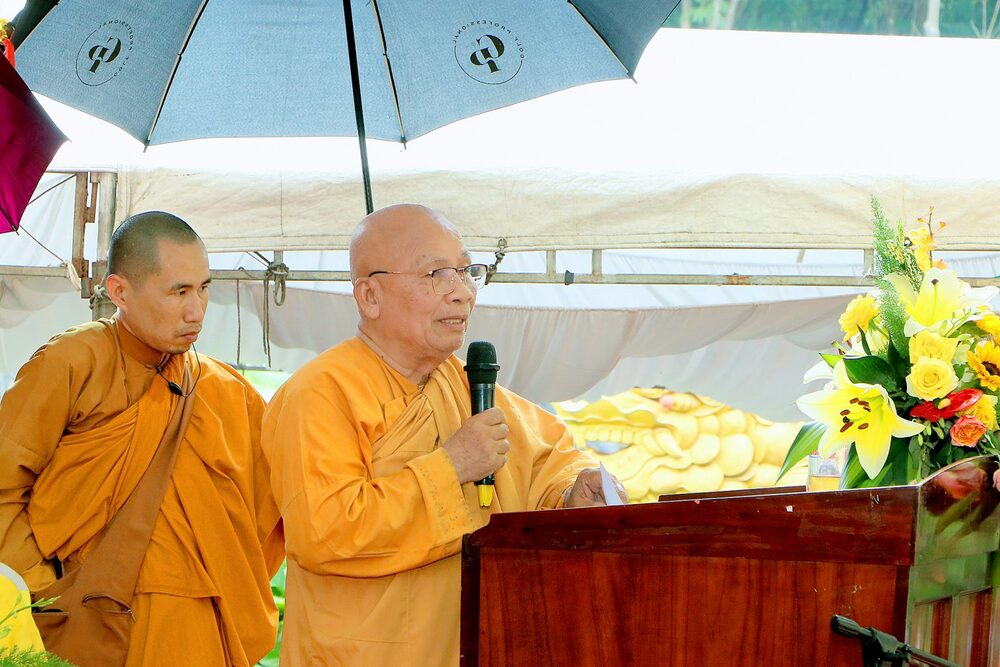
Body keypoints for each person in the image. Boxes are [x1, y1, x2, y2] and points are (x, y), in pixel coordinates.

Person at [262, 203, 625, 666]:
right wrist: (450, 466)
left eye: (467, 270)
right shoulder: (321, 392)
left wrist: (572, 492)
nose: (461, 292)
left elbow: (546, 459)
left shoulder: (465, 385)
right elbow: (326, 533)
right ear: (370, 297)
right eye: (435, 274)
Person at [0, 211, 284, 666]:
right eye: (179, 292)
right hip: (87, 619)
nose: (196, 311)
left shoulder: (225, 391)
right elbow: (3, 485)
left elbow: (264, 519)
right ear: (120, 292)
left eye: (204, 289)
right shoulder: (73, 364)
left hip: (201, 626)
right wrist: (40, 588)